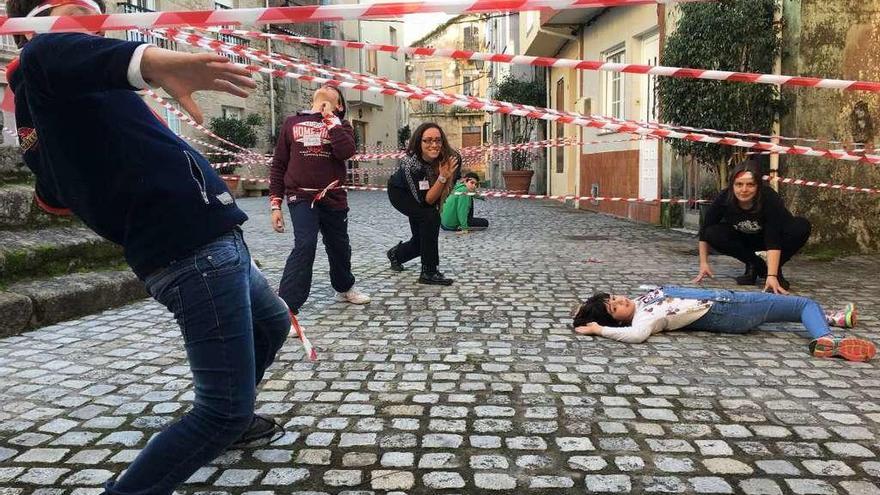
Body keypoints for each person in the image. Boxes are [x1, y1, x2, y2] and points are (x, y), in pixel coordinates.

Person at [6, 1, 292, 493]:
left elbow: (54, 193)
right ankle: (221, 423)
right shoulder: (42, 64)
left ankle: (233, 415)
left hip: (216, 238)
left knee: (271, 323)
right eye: (78, 10)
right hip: (192, 251)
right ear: (34, 21)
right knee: (218, 411)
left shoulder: (73, 96)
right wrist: (153, 62)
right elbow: (46, 54)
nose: (94, 20)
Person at [269, 85, 370, 315]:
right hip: (301, 196)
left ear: (340, 105)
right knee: (305, 245)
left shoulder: (342, 126)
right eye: (323, 86)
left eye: (334, 89)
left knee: (339, 246)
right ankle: (286, 308)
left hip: (333, 195)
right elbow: (278, 165)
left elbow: (346, 152)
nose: (327, 86)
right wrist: (275, 204)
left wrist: (330, 119)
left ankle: (344, 288)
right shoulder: (291, 123)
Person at [572, 286, 874, 362]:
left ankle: (834, 319)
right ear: (616, 320)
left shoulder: (640, 302)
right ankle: (825, 338)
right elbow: (637, 336)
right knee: (802, 304)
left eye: (615, 297)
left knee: (780, 315)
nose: (621, 301)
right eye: (614, 307)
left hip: (729, 307)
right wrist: (599, 329)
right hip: (730, 308)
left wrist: (586, 310)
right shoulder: (643, 318)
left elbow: (592, 310)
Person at [694, 159, 811, 293]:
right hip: (745, 239)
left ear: (758, 186)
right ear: (732, 185)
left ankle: (769, 270)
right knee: (712, 233)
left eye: (750, 185)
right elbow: (704, 231)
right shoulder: (724, 198)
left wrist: (772, 275)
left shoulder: (769, 198)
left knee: (801, 226)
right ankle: (756, 264)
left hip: (774, 237)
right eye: (739, 184)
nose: (744, 190)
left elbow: (773, 238)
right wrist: (704, 263)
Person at [386, 122, 461, 285]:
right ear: (419, 142)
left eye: (438, 140)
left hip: (430, 191)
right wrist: (442, 177)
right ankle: (429, 272)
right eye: (427, 140)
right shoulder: (411, 165)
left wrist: (444, 179)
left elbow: (444, 192)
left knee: (422, 240)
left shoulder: (452, 158)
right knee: (429, 217)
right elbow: (426, 200)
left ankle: (396, 255)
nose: (434, 145)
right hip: (401, 193)